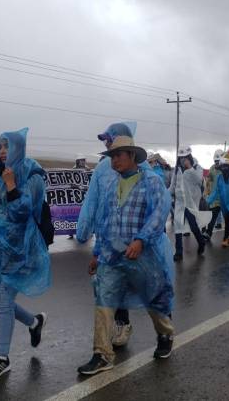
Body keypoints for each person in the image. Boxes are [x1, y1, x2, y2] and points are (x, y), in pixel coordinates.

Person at [78, 135, 175, 375]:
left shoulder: (151, 182)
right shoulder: (112, 186)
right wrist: (97, 254)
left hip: (142, 256)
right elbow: (105, 222)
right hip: (112, 257)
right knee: (104, 301)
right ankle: (102, 354)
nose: (114, 161)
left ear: (132, 156)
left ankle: (165, 333)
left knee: (154, 300)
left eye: (119, 155)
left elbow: (159, 213)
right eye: (111, 156)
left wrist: (141, 239)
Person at [0, 129, 50, 379]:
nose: (3, 151)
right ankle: (34, 322)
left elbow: (24, 211)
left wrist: (11, 186)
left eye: (8, 146)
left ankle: (2, 357)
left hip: (20, 249)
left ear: (19, 148)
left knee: (5, 300)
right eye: (0, 147)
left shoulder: (31, 174)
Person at [77, 123, 152, 349]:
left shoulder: (145, 171)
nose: (108, 146)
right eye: (107, 143)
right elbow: (93, 202)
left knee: (150, 287)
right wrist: (86, 232)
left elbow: (157, 208)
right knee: (109, 282)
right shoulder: (102, 169)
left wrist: (143, 238)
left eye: (112, 140)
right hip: (111, 239)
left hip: (141, 241)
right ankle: (118, 327)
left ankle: (164, 329)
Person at [169, 146, 211, 261]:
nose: (183, 160)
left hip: (191, 203)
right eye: (181, 158)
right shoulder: (177, 170)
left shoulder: (197, 168)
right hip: (179, 203)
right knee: (177, 226)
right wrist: (166, 195)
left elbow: (199, 180)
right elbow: (172, 186)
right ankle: (178, 252)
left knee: (193, 226)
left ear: (189, 157)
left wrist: (190, 168)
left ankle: (201, 242)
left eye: (185, 157)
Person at [202, 149, 225, 239]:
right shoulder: (212, 168)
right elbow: (208, 180)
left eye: (218, 161)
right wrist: (206, 191)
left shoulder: (226, 169)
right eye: (215, 161)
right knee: (213, 215)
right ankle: (208, 233)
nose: (217, 163)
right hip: (215, 198)